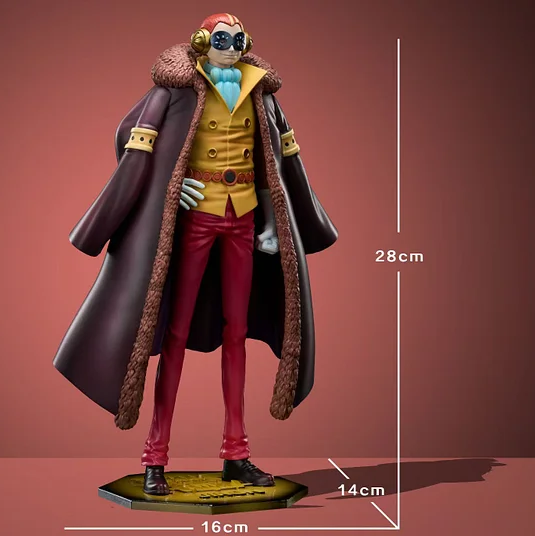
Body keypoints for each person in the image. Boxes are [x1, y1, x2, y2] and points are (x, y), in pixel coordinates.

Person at [53, 12, 338, 496]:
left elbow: (275, 159)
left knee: (237, 335)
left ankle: (236, 453)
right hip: (197, 219)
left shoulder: (261, 93)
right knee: (175, 334)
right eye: (222, 39)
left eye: (238, 39)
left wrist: (274, 218)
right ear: (204, 42)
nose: (231, 47)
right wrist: (171, 181)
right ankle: (155, 457)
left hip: (243, 218)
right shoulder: (176, 91)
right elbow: (133, 140)